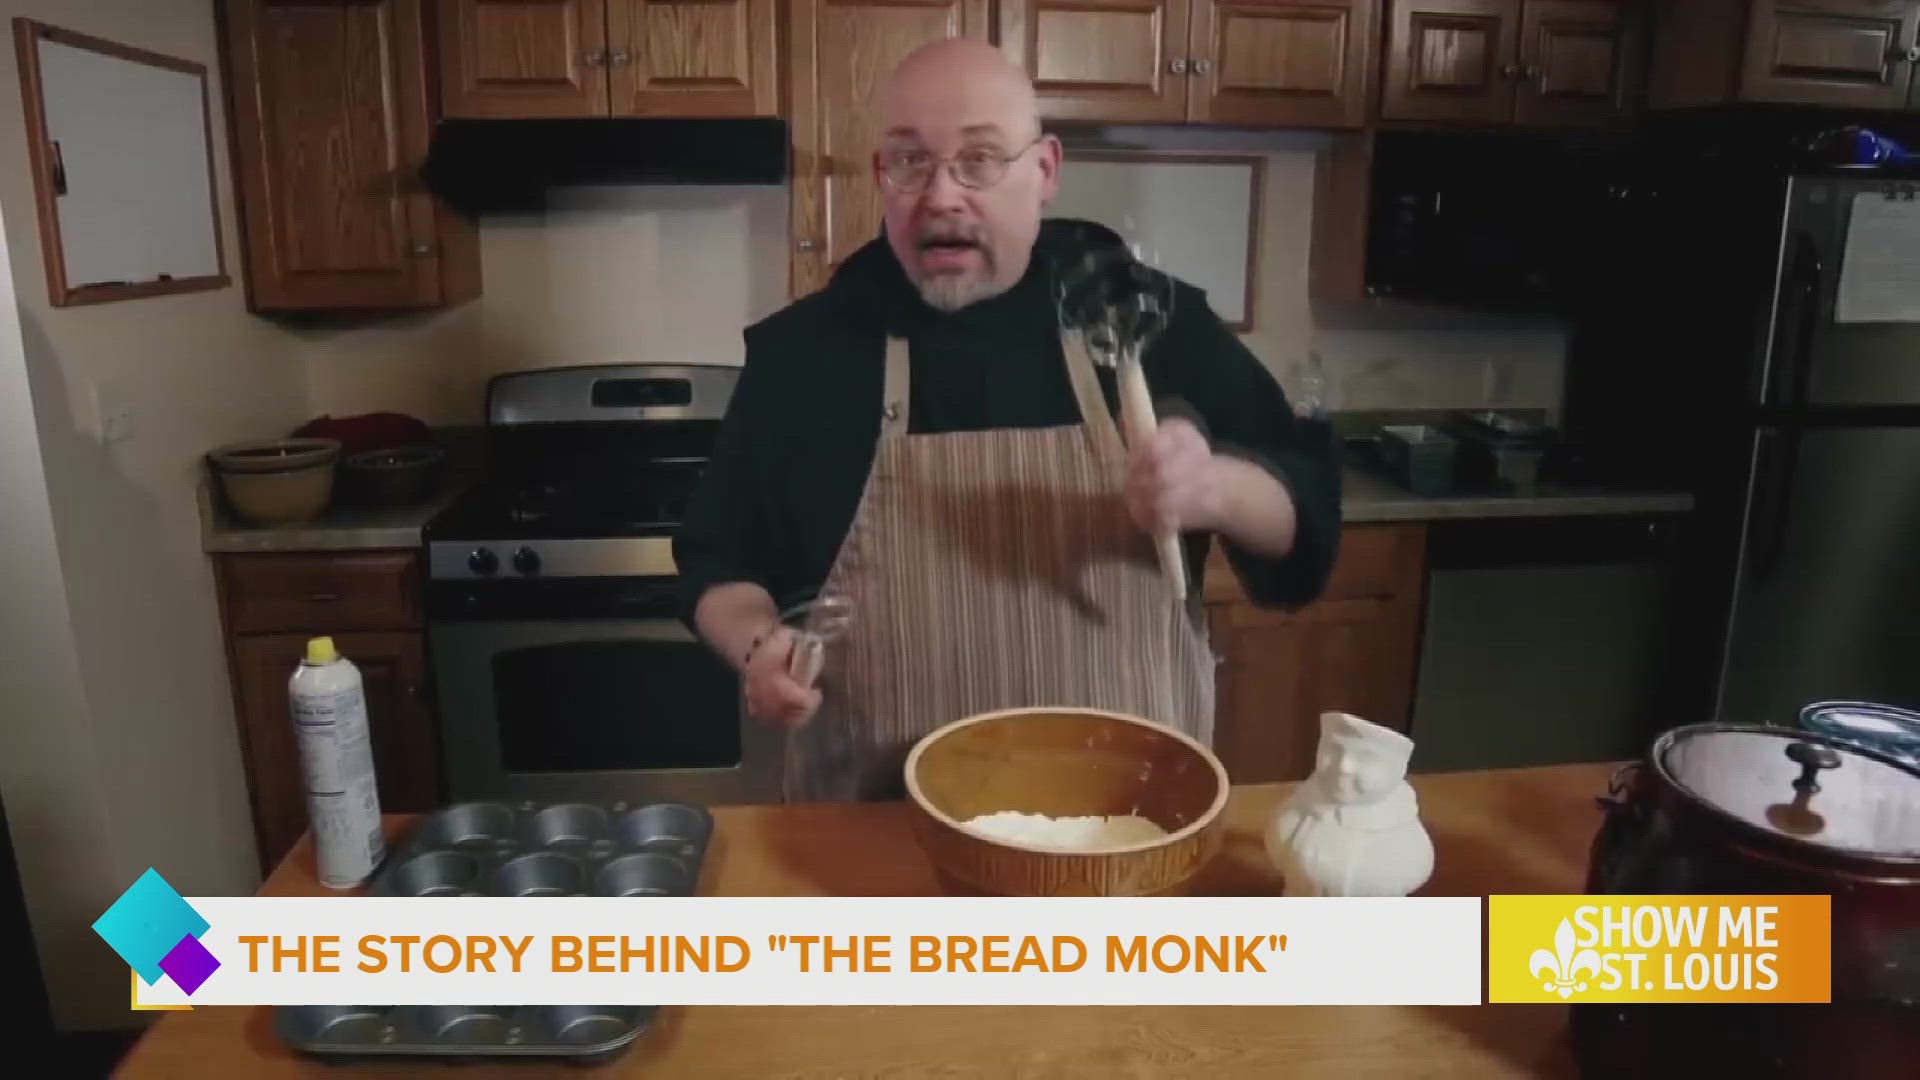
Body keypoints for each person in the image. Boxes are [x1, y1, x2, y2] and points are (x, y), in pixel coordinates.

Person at [674, 38, 1343, 802]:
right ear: (879, 177)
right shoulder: (804, 355)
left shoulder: (1144, 322)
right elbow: (718, 566)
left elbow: (1308, 527)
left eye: (981, 159)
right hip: (873, 835)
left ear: (1045, 171)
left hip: (1123, 830)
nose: (942, 195)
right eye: (910, 162)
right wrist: (761, 647)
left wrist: (1218, 489)